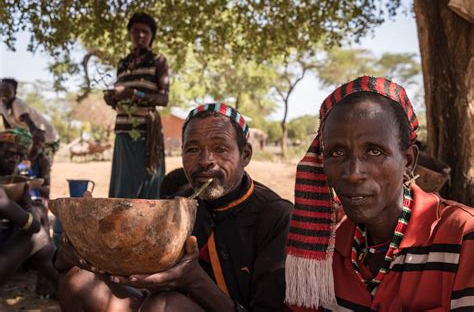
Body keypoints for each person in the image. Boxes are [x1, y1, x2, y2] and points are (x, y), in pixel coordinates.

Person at [54, 103, 293, 311]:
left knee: (164, 306)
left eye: (220, 148)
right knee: (78, 282)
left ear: (245, 155)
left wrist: (194, 281)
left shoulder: (276, 217)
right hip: (159, 304)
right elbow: (126, 263)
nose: (205, 160)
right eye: (193, 149)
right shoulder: (179, 201)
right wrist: (83, 234)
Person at [285, 76, 474, 311]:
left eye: (374, 151)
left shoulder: (463, 236)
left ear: (408, 161)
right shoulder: (323, 245)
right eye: (336, 153)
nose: (353, 174)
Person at [104, 12, 169, 199]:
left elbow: (163, 99)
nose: (140, 35)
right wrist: (113, 100)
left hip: (147, 134)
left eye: (145, 32)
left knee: (147, 184)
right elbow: (121, 99)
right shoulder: (123, 64)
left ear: (151, 36)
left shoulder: (158, 62)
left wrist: (133, 93)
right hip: (123, 131)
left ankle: (149, 226)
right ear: (130, 34)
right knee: (123, 185)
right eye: (135, 31)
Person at [0, 128, 58, 290]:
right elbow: (34, 227)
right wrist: (26, 204)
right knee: (39, 236)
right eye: (9, 153)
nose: (14, 159)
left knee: (39, 210)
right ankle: (59, 284)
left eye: (19, 155)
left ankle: (52, 282)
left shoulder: (40, 161)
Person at [0, 78, 60, 156]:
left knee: (35, 160)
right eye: (1, 91)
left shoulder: (17, 104)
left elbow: (33, 128)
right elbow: (8, 128)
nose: (3, 94)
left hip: (49, 139)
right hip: (31, 137)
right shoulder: (1, 104)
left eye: (8, 91)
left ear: (15, 93)